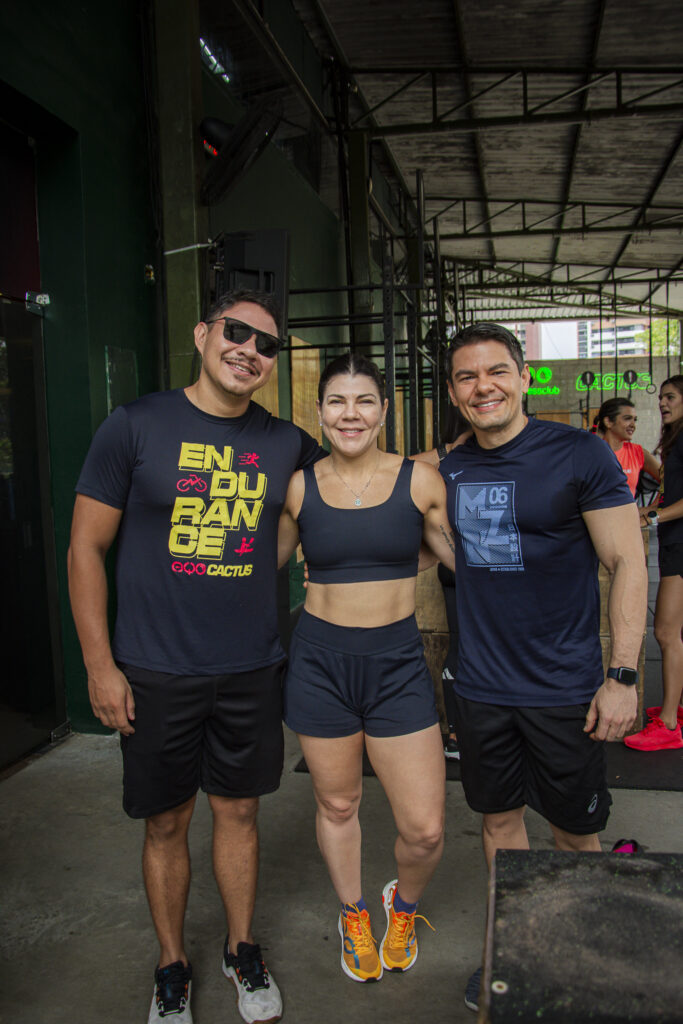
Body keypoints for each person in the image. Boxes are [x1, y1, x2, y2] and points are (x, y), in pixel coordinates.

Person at [68, 290, 325, 1024]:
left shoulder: (285, 443)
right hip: (154, 669)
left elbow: (356, 480)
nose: (249, 349)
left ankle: (241, 951)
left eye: (266, 343)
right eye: (235, 333)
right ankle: (171, 965)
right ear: (203, 334)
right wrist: (99, 665)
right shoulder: (136, 425)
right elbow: (85, 548)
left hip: (250, 667)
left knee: (239, 812)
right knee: (165, 823)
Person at [436, 322, 647, 1014]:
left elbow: (625, 565)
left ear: (523, 377)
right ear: (452, 392)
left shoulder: (579, 453)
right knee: (497, 824)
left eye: (496, 371)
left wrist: (620, 676)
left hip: (562, 686)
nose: (482, 386)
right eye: (467, 377)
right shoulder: (448, 465)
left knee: (572, 832)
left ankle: (580, 953)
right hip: (480, 685)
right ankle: (513, 948)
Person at [277, 353, 456, 985]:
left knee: (427, 829)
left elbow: (461, 559)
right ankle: (354, 915)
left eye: (364, 402)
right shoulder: (299, 485)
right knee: (337, 802)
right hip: (321, 663)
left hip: (398, 664)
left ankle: (400, 907)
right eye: (336, 402)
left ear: (384, 410)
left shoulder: (421, 480)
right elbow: (251, 568)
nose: (350, 414)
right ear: (319, 411)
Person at [627, 375, 683, 751]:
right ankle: (674, 708)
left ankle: (668, 723)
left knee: (665, 633)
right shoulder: (674, 441)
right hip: (673, 543)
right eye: (661, 397)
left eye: (670, 397)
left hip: (680, 546)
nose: (662, 403)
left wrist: (652, 518)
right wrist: (646, 510)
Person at [412, 404, 471, 760]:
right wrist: (451, 449)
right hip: (456, 568)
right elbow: (392, 469)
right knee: (463, 647)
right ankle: (456, 735)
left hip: (484, 572)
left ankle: (462, 734)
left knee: (469, 647)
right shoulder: (443, 464)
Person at [594, 397, 660, 498]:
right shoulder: (591, 452)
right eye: (627, 418)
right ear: (608, 422)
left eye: (635, 420)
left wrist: (654, 507)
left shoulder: (638, 452)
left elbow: (669, 480)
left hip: (629, 513)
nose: (633, 425)